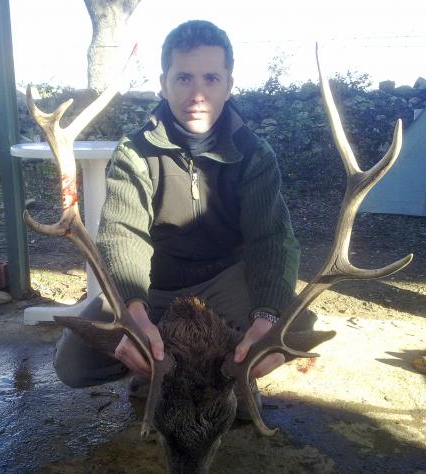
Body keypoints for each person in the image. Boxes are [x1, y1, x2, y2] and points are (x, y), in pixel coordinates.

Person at [53, 19, 315, 415]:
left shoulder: (254, 154)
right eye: (183, 78)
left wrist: (266, 319)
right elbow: (123, 235)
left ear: (228, 84)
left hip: (225, 283)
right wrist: (133, 315)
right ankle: (156, 366)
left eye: (211, 78)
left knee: (295, 326)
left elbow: (271, 241)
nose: (197, 94)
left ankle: (225, 375)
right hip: (154, 286)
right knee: (74, 363)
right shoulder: (135, 153)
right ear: (164, 84)